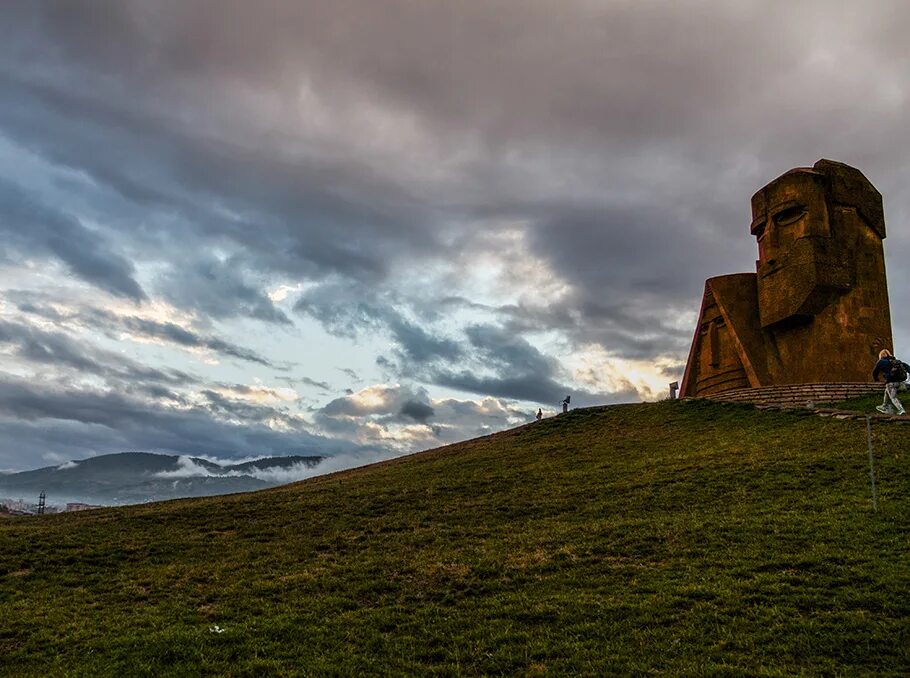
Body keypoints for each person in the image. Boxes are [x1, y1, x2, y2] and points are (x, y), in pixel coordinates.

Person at [872, 349, 906, 415]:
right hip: (899, 382)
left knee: (893, 397)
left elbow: (875, 372)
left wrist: (876, 379)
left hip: (891, 383)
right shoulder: (895, 361)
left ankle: (901, 410)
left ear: (881, 355)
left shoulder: (881, 361)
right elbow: (907, 367)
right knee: (887, 391)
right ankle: (884, 406)